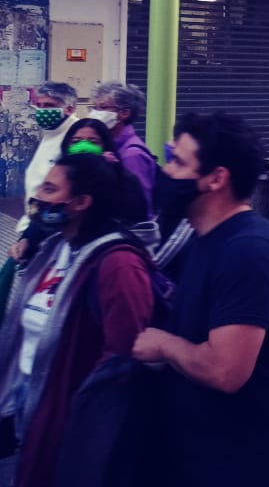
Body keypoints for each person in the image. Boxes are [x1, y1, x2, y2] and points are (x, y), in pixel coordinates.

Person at [131, 111, 269, 487]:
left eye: (178, 161)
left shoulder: (248, 250)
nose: (167, 172)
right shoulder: (202, 239)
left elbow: (226, 371)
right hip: (200, 457)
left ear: (216, 178)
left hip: (241, 466)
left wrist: (164, 345)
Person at [0, 153, 155, 487]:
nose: (38, 196)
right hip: (33, 401)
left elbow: (123, 358)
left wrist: (80, 420)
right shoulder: (55, 246)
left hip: (70, 419)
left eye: (50, 189)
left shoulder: (120, 266)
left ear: (81, 202)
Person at [59, 118, 148, 225]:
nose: (83, 147)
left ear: (106, 146)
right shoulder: (59, 177)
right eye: (75, 141)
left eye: (93, 142)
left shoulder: (123, 181)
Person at [89, 82, 157, 213]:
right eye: (94, 108)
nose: (96, 113)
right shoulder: (107, 145)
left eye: (102, 108)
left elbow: (140, 204)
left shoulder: (132, 154)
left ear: (124, 113)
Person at [22, 82, 79, 214]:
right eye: (39, 106)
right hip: (36, 215)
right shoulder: (52, 131)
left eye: (49, 105)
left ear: (69, 109)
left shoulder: (76, 136)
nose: (42, 111)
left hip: (52, 219)